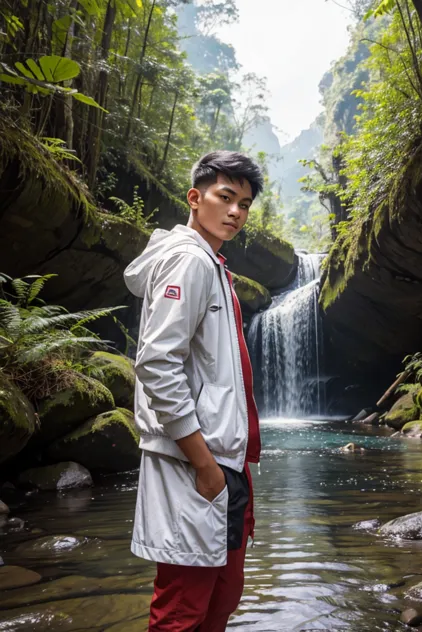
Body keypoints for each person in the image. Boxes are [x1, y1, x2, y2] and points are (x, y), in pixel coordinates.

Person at [124, 150, 264, 631]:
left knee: (220, 600)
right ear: (194, 197)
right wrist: (205, 466)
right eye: (226, 198)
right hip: (196, 462)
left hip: (225, 461)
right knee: (183, 608)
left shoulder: (212, 264)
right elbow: (157, 365)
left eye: (245, 204)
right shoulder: (189, 263)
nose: (236, 212)